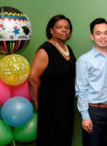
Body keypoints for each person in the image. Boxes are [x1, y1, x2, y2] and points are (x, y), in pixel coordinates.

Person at [28, 14, 76, 146]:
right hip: (50, 105)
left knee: (64, 137)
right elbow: (32, 78)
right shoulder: (45, 50)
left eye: (67, 27)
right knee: (52, 139)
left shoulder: (67, 49)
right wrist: (38, 102)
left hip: (66, 105)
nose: (64, 30)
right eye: (59, 27)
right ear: (51, 30)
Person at [75, 18, 107, 146]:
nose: (103, 37)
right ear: (92, 36)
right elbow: (81, 89)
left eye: (106, 33)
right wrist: (85, 116)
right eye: (98, 33)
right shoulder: (84, 60)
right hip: (93, 111)